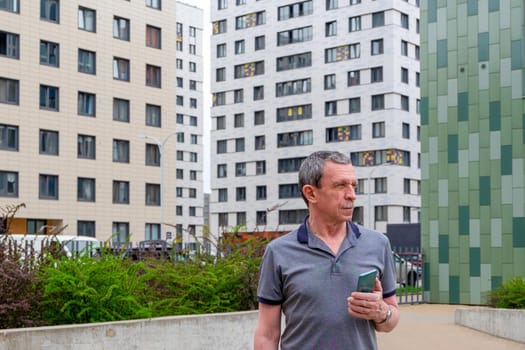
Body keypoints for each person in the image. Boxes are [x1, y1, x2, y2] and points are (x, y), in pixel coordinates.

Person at [254, 150, 399, 349]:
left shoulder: (378, 244)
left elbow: (390, 321)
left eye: (353, 186)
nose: (352, 195)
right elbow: (267, 334)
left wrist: (382, 312)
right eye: (340, 186)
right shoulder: (278, 252)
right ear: (311, 193)